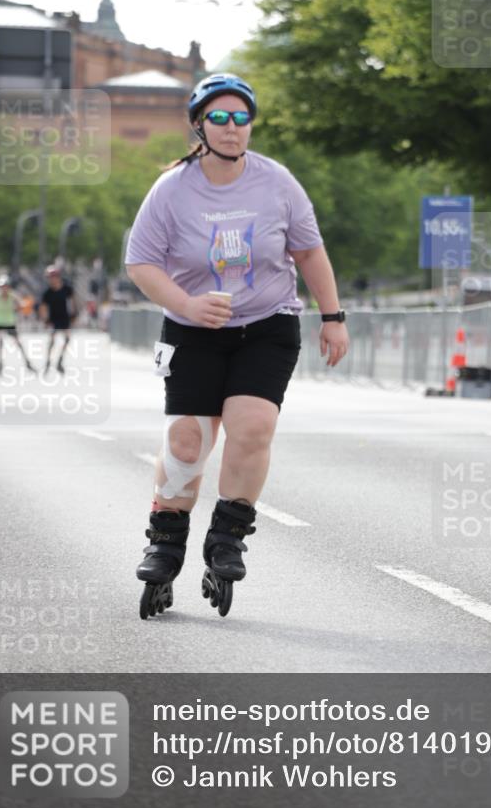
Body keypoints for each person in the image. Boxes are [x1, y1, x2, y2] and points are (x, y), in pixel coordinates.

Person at [125, 72, 349, 619]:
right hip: (193, 331)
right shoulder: (173, 189)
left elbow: (310, 252)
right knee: (186, 443)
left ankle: (226, 538)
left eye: (241, 117)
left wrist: (333, 317)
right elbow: (141, 263)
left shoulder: (278, 183)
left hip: (266, 326)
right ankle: (166, 542)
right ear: (200, 125)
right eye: (219, 118)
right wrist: (186, 304)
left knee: (252, 428)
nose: (231, 128)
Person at [39, 265, 77, 373]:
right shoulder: (47, 293)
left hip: (65, 317)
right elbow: (43, 307)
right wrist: (45, 320)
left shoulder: (67, 289)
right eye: (49, 278)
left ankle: (60, 359)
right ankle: (48, 361)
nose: (51, 280)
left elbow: (73, 302)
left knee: (67, 339)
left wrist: (74, 314)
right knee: (52, 340)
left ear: (58, 277)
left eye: (52, 277)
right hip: (53, 319)